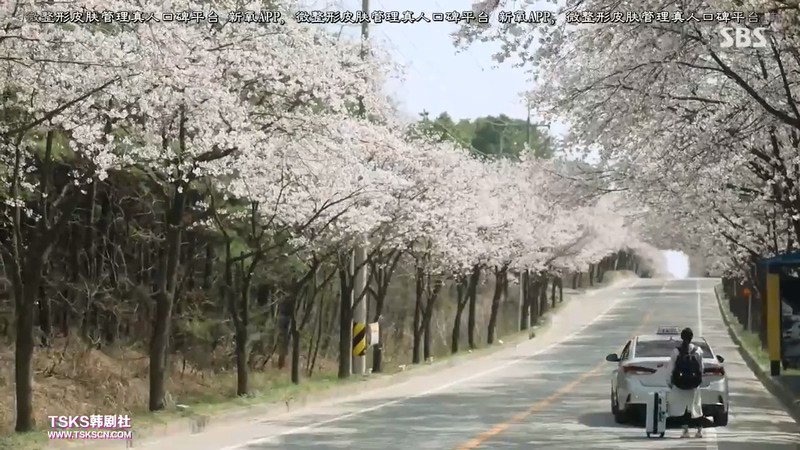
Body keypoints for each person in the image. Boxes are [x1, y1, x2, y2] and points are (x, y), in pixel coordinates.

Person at [665, 327, 705, 438]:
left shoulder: (676, 351)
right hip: (694, 384)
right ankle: (699, 431)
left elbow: (670, 368)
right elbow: (701, 368)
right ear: (692, 337)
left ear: (681, 337)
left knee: (682, 408)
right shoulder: (698, 350)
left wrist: (669, 382)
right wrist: (699, 379)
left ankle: (686, 431)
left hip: (679, 383)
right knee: (696, 407)